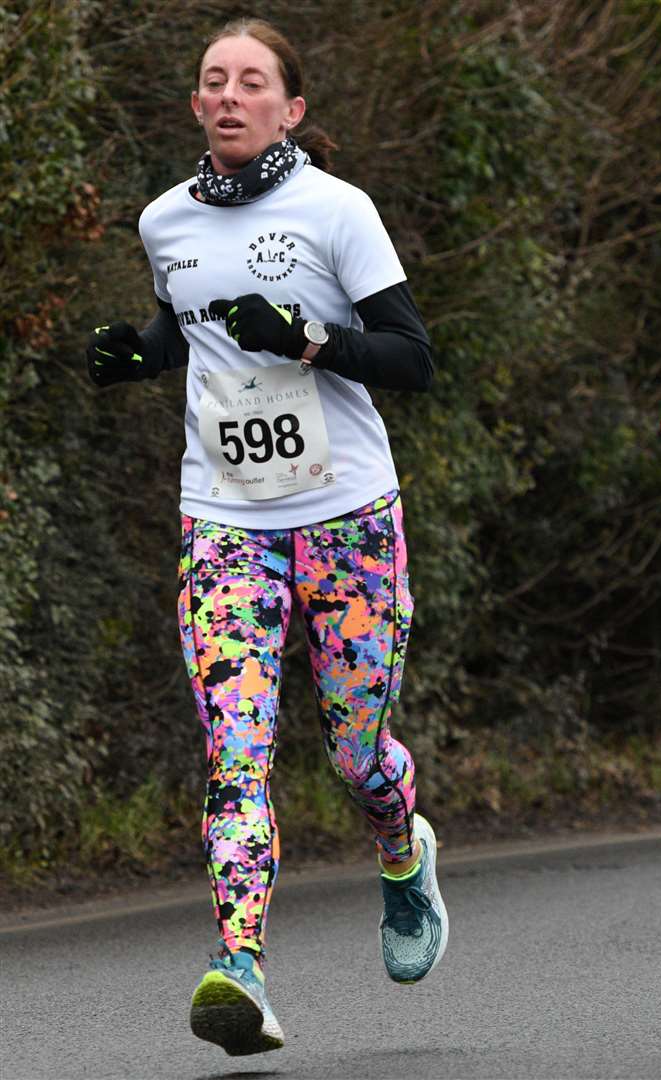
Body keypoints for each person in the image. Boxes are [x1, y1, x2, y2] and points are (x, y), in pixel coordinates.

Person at [85, 18, 447, 1057]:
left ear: (290, 108)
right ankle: (239, 967)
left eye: (253, 83)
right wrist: (137, 355)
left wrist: (311, 340)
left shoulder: (339, 211)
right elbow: (184, 327)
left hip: (347, 522)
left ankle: (400, 845)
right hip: (225, 523)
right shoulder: (165, 221)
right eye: (214, 82)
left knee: (351, 752)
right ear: (197, 106)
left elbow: (414, 358)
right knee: (235, 758)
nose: (231, 96)